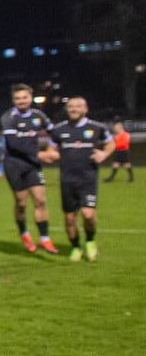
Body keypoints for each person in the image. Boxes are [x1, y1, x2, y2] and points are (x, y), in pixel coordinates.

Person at [45, 97, 115, 262]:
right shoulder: (59, 130)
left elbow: (111, 144)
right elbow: (51, 148)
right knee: (70, 218)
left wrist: (104, 154)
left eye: (78, 106)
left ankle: (90, 241)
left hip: (88, 179)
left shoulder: (97, 128)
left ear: (85, 109)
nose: (74, 109)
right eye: (70, 107)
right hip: (67, 180)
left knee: (88, 214)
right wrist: (52, 154)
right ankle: (76, 247)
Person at [0, 83, 59, 254]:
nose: (21, 101)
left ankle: (45, 239)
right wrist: (39, 154)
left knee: (40, 200)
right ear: (13, 100)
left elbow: (55, 133)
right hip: (14, 165)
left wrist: (52, 149)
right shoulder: (8, 117)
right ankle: (24, 233)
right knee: (21, 203)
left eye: (24, 97)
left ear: (30, 98)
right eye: (18, 98)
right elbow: (14, 144)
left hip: (32, 165)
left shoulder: (38, 115)